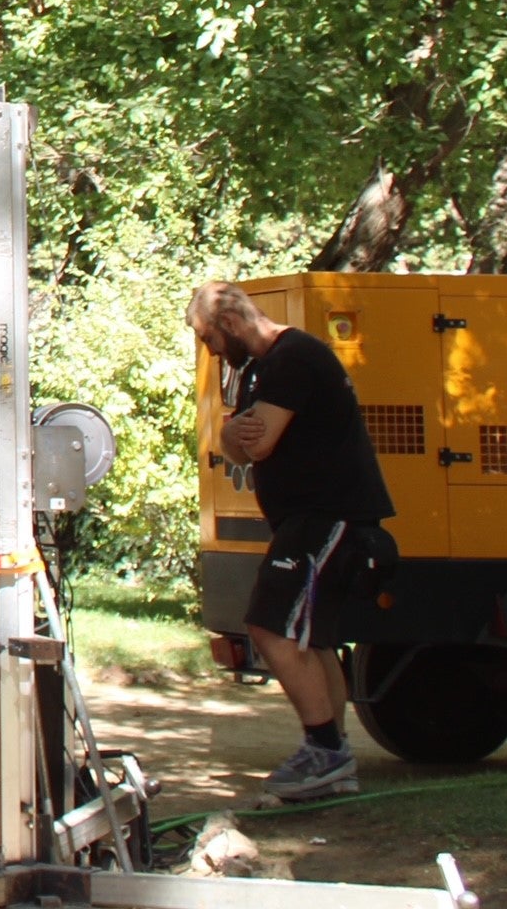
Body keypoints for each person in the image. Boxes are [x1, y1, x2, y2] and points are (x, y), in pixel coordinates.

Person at [189, 280, 397, 801]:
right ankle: (337, 757)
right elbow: (233, 444)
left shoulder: (293, 358)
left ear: (230, 324)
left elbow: (255, 446)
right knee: (314, 639)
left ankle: (323, 751)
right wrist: (236, 435)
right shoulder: (261, 370)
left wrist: (238, 435)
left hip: (326, 517)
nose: (209, 350)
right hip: (307, 519)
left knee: (270, 627)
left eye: (208, 337)